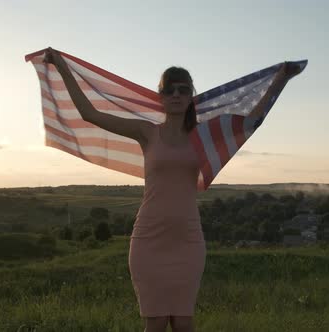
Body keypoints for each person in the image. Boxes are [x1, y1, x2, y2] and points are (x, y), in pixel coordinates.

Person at [43, 48, 300, 332]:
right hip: (148, 238)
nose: (176, 95)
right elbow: (89, 113)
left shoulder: (204, 134)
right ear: (161, 97)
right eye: (169, 90)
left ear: (191, 96)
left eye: (183, 89)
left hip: (187, 240)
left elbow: (252, 119)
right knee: (154, 323)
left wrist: (281, 79)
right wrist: (62, 66)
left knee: (183, 322)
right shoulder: (147, 132)